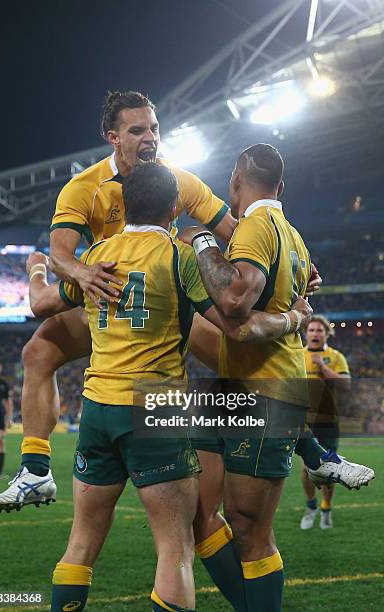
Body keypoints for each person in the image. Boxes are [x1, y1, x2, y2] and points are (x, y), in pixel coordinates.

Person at [0, 90, 321, 511]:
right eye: (137, 130)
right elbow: (60, 253)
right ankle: (35, 470)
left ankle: (311, 445)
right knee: (37, 351)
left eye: (154, 128)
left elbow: (238, 231)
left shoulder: (178, 179)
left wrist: (292, 263)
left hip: (165, 301)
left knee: (241, 342)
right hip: (109, 299)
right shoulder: (84, 187)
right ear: (113, 136)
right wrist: (81, 272)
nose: (150, 137)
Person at [19, 163, 311, 612]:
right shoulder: (179, 256)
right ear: (175, 208)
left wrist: (38, 268)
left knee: (80, 545)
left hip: (97, 409)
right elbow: (234, 324)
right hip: (155, 410)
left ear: (125, 206)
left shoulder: (97, 256)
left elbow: (40, 304)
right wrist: (292, 312)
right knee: (175, 548)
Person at [181, 144, 374, 612]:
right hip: (234, 389)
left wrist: (203, 240)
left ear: (235, 182)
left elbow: (233, 301)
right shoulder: (291, 234)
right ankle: (319, 455)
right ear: (281, 188)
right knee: (198, 517)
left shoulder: (256, 227)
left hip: (267, 394)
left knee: (249, 530)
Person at [300, 315, 351, 530]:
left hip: (328, 420)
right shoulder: (297, 355)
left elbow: (346, 385)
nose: (315, 334)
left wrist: (323, 368)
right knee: (306, 468)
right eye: (311, 330)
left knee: (330, 468)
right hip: (304, 421)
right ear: (306, 333)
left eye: (319, 331)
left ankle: (326, 508)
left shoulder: (336, 357)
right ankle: (311, 507)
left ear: (326, 334)